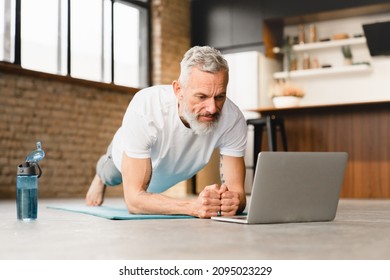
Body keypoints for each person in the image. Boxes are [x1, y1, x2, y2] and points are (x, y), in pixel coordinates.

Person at [86, 46, 247, 218]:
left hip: (167, 170)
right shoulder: (147, 107)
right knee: (110, 175)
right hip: (124, 156)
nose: (212, 108)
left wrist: (233, 202)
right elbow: (134, 201)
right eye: (201, 97)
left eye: (220, 96)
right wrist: (193, 206)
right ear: (178, 90)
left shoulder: (233, 119)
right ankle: (99, 177)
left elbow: (238, 192)